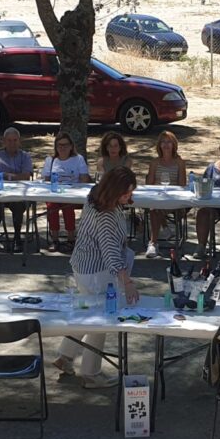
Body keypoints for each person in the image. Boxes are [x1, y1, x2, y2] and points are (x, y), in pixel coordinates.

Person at [53, 166, 139, 389]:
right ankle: (91, 374)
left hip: (82, 266)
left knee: (87, 312)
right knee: (100, 321)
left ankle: (65, 356)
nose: (130, 196)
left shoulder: (95, 194)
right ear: (114, 190)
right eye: (126, 192)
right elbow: (111, 257)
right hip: (97, 272)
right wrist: (127, 283)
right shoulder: (107, 218)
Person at [41, 132, 90, 253]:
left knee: (67, 207)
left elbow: (84, 179)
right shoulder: (51, 160)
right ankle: (55, 239)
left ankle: (71, 239)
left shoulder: (78, 159)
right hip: (54, 194)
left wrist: (81, 178)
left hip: (73, 194)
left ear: (71, 146)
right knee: (52, 207)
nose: (62, 148)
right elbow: (45, 181)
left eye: (65, 145)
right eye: (59, 145)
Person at [0, 127, 33, 252]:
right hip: (1, 193)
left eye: (15, 140)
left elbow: (26, 176)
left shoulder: (26, 156)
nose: (12, 143)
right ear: (4, 142)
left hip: (20, 194)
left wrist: (6, 175)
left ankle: (17, 239)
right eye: (9, 140)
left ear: (19, 141)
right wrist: (15, 176)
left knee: (18, 206)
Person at [146, 130, 187, 259]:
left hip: (173, 198)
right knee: (154, 208)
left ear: (174, 144)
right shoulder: (155, 162)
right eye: (163, 142)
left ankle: (163, 230)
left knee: (157, 208)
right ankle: (153, 243)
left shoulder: (179, 162)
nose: (166, 145)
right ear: (159, 145)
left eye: (169, 142)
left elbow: (182, 185)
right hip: (157, 196)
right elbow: (149, 184)